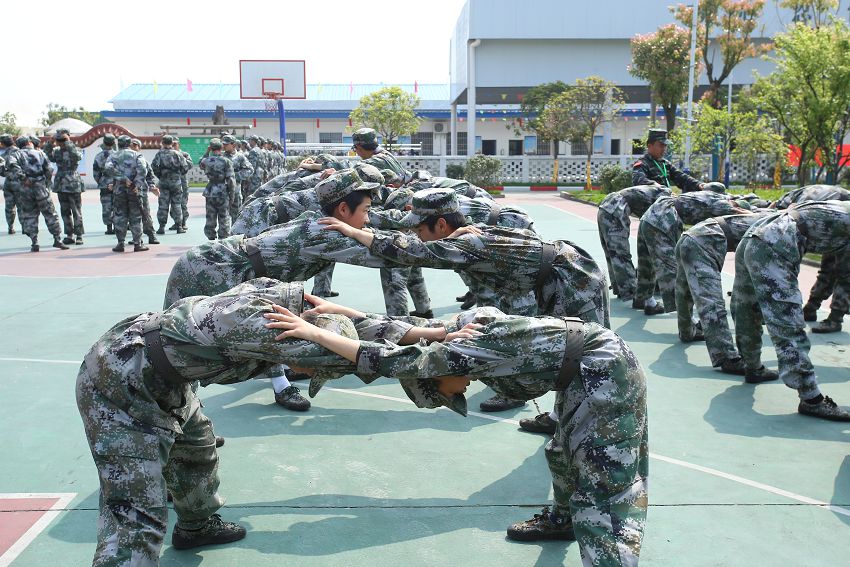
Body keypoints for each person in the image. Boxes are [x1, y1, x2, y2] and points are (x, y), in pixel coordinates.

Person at [266, 304, 647, 567]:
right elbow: (401, 327)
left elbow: (388, 360)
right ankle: (563, 521)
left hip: (602, 370)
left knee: (604, 493)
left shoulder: (457, 351)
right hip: (580, 372)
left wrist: (314, 332)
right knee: (561, 452)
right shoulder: (456, 336)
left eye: (452, 392)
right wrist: (351, 315)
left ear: (436, 377)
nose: (462, 389)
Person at [76, 277, 359, 565]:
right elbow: (381, 358)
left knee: (196, 447)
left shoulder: (289, 324)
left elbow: (366, 328)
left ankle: (196, 528)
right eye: (317, 366)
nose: (311, 373)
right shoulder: (265, 330)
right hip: (120, 380)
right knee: (136, 515)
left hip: (166, 376)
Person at [322, 188, 610, 414]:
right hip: (557, 277)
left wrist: (353, 231)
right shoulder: (469, 236)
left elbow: (416, 253)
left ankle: (582, 419)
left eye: (420, 230)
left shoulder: (470, 243)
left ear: (442, 224)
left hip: (574, 281)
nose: (418, 236)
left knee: (584, 360)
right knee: (569, 358)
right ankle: (560, 415)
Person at [163, 169, 393, 410]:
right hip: (205, 269)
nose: (368, 218)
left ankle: (279, 387)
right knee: (180, 347)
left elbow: (376, 229)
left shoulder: (328, 213)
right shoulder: (323, 230)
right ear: (344, 207)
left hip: (244, 271)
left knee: (276, 322)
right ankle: (185, 417)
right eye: (367, 209)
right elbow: (392, 254)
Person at [731, 201, 850, 421]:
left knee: (747, 307)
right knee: (788, 323)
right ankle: (811, 399)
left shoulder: (842, 207)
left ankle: (752, 367)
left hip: (758, 233)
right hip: (777, 241)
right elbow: (844, 275)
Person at [675, 212, 775, 377]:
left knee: (684, 291)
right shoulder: (780, 227)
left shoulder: (767, 217)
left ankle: (686, 331)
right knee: (711, 303)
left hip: (690, 236)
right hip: (705, 242)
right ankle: (727, 357)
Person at [635, 186, 749, 315]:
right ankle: (688, 319)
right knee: (671, 270)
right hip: (664, 219)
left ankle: (645, 300)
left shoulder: (709, 195)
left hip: (652, 214)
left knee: (647, 263)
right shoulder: (722, 202)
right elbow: (739, 213)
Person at [771, 185, 850, 333]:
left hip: (842, 221)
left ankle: (835, 319)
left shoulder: (796, 206)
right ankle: (811, 308)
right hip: (835, 222)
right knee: (828, 268)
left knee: (845, 274)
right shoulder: (796, 196)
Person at [597, 184, 671, 301]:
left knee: (612, 253)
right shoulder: (666, 200)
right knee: (620, 253)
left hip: (606, 206)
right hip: (616, 208)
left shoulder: (658, 192)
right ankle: (632, 292)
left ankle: (621, 288)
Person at [5, 136, 68, 252]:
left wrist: (23, 178)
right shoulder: (40, 153)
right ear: (29, 142)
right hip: (40, 186)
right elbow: (49, 168)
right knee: (50, 213)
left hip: (25, 189)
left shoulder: (15, 155)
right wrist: (46, 183)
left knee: (30, 215)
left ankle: (35, 242)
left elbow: (12, 166)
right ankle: (57, 239)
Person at [104, 135, 149, 252]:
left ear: (118, 144)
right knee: (136, 217)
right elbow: (143, 169)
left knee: (119, 216)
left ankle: (120, 243)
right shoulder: (137, 155)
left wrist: (122, 178)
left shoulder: (113, 156)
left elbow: (108, 168)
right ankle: (137, 244)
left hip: (119, 190)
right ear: (129, 144)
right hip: (134, 191)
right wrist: (137, 185)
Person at [632, 128, 706, 191]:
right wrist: (656, 186)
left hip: (665, 201)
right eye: (661, 146)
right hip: (650, 204)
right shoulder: (642, 164)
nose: (664, 149)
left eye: (665, 146)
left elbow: (681, 177)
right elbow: (639, 180)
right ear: (649, 146)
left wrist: (699, 185)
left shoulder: (664, 163)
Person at [47, 129, 85, 245]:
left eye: (63, 139)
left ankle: (79, 235)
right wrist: (50, 142)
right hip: (61, 184)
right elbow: (48, 156)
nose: (61, 142)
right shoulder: (57, 151)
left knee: (76, 211)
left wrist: (68, 142)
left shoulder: (75, 149)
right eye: (60, 140)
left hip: (73, 184)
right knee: (65, 212)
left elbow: (77, 157)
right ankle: (69, 235)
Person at [199, 138, 235, 240]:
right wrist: (232, 195)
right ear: (222, 147)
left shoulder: (206, 161)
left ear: (211, 148)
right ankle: (223, 238)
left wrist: (207, 151)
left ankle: (210, 237)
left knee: (210, 216)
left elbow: (200, 163)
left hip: (210, 191)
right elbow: (231, 180)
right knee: (224, 217)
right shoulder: (226, 161)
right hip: (222, 191)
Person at [151, 134, 186, 234]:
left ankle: (161, 227)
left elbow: (154, 167)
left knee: (163, 205)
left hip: (164, 182)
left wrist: (161, 176)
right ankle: (179, 226)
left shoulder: (159, 154)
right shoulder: (178, 154)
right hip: (176, 183)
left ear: (162, 143)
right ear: (172, 143)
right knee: (177, 205)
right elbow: (185, 167)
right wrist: (177, 175)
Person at [130, 138, 161, 245]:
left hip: (141, 191)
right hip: (127, 192)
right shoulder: (123, 160)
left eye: (135, 145)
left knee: (145, 214)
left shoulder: (143, 160)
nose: (133, 147)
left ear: (139, 147)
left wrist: (152, 186)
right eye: (131, 145)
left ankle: (151, 235)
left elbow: (150, 176)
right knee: (132, 216)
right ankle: (136, 238)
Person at [222, 134, 254, 219]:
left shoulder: (240, 156)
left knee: (236, 214)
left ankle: (234, 232)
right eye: (223, 144)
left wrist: (235, 176)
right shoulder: (221, 157)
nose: (224, 146)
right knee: (223, 215)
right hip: (222, 190)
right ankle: (224, 232)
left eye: (226, 144)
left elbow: (249, 169)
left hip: (235, 189)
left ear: (233, 145)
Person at [92, 134, 117, 234]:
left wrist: (101, 181)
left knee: (106, 206)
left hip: (104, 184)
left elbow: (96, 173)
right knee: (118, 206)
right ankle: (117, 227)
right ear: (113, 143)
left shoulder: (98, 156)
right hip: (117, 183)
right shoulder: (118, 155)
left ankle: (109, 228)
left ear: (104, 143)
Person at [1, 134, 21, 234]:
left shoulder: (3, 156)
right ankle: (25, 227)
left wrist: (8, 174)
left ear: (3, 143)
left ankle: (11, 227)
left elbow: (1, 171)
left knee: (9, 207)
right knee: (22, 205)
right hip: (20, 182)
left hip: (8, 183)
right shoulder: (20, 152)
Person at [172, 136, 193, 231]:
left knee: (183, 204)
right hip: (171, 183)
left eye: (175, 144)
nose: (173, 146)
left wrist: (180, 157)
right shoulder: (168, 155)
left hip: (182, 183)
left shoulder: (184, 154)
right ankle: (176, 222)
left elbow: (190, 165)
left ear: (178, 145)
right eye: (171, 144)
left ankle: (183, 222)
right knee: (173, 205)